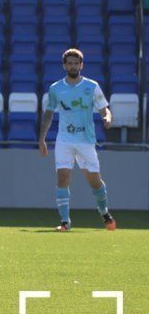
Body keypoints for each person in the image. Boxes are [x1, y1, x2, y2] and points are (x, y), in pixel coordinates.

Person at [38, 49, 116, 232]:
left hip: (85, 140)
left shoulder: (92, 86)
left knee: (94, 181)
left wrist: (108, 118)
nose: (73, 66)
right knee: (63, 177)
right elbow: (48, 114)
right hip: (64, 139)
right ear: (64, 65)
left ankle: (104, 212)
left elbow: (105, 108)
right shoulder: (56, 88)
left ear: (81, 65)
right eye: (70, 63)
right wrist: (42, 138)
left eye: (76, 63)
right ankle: (65, 222)